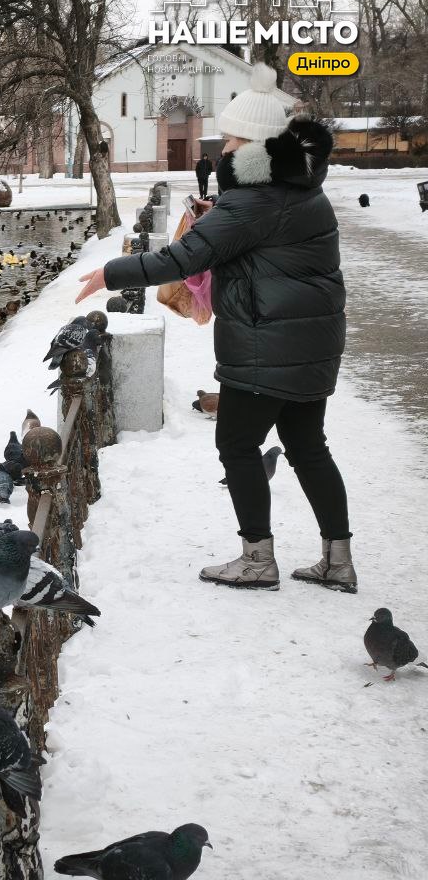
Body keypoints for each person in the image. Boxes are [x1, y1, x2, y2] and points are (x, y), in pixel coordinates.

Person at [75, 63, 352, 593]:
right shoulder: (305, 192)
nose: (223, 147)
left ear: (251, 144)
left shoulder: (251, 203)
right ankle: (338, 561)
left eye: (231, 138)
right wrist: (221, 211)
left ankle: (257, 560)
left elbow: (180, 259)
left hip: (263, 346)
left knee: (238, 445)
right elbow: (268, 245)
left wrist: (111, 272)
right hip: (313, 344)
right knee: (308, 446)